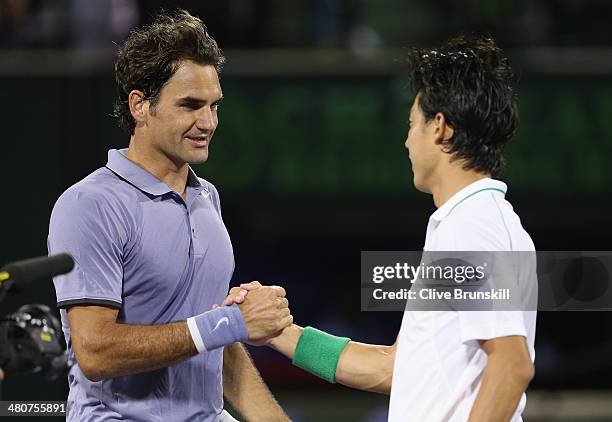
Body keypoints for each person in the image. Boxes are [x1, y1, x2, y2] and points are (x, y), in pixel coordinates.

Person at [228, 36, 536, 421]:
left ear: (439, 127)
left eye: (412, 124)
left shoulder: (474, 226)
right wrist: (278, 333)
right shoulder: (466, 222)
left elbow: (512, 364)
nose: (407, 141)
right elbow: (392, 368)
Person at [48, 10, 291, 422]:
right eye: (190, 106)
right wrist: (228, 323)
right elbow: (94, 351)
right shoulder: (90, 204)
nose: (208, 123)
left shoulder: (207, 198)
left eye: (214, 106)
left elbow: (218, 341)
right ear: (140, 105)